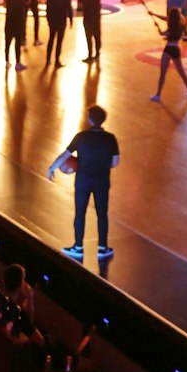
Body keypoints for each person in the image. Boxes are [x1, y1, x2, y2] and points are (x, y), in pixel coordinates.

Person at [47, 105, 119, 262]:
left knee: (80, 213)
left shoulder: (81, 137)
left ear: (90, 119)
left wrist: (52, 168)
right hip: (102, 181)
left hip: (83, 181)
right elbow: (115, 162)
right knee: (102, 214)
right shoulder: (110, 138)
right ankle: (102, 248)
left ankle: (78, 247)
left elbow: (65, 155)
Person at [152, 7, 187, 102]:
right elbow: (165, 18)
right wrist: (154, 14)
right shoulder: (181, 26)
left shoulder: (171, 27)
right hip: (176, 50)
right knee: (182, 72)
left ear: (171, 17)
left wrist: (157, 25)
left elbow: (162, 33)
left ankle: (158, 95)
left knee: (163, 74)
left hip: (168, 50)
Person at [78, 0, 105, 64]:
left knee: (88, 36)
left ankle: (90, 55)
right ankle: (97, 54)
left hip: (88, 16)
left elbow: (80, 4)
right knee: (97, 36)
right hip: (96, 16)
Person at [44, 0, 71, 67]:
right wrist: (71, 20)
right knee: (59, 41)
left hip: (53, 20)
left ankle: (48, 60)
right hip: (61, 21)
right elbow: (69, 9)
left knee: (51, 39)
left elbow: (48, 8)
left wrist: (48, 19)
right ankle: (57, 61)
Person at [2, 0, 29, 68]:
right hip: (18, 19)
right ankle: (18, 63)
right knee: (17, 42)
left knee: (7, 42)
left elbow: (4, 3)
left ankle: (7, 61)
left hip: (9, 19)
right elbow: (28, 1)